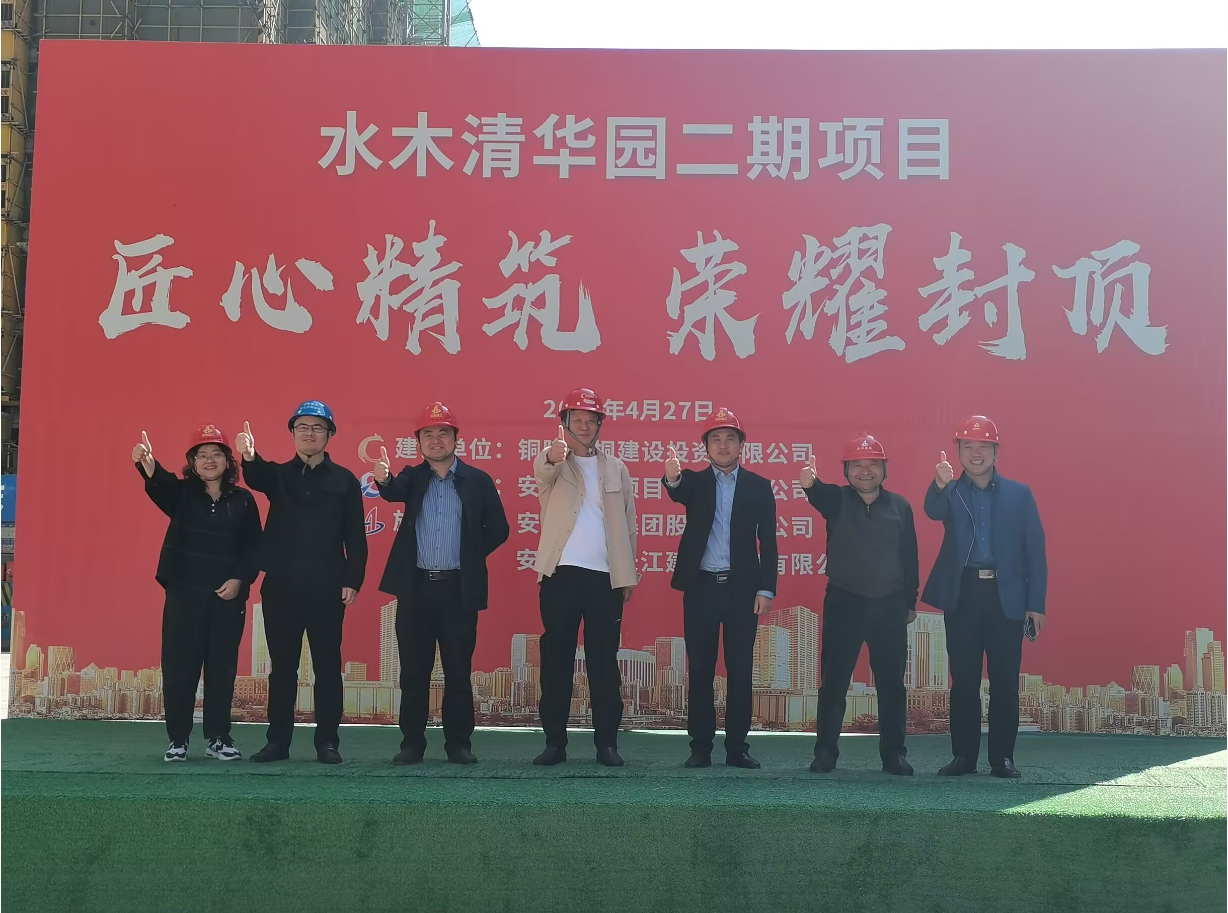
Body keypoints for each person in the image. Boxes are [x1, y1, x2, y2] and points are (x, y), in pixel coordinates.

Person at [374, 402, 510, 765]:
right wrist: (384, 479)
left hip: (457, 590)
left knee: (458, 672)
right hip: (416, 590)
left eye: (443, 433)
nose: (436, 440)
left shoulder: (478, 481)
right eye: (428, 434)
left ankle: (459, 744)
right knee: (413, 672)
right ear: (418, 441)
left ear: (455, 439)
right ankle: (411, 744)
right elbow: (392, 490)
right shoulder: (413, 477)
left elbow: (499, 529)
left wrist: (469, 554)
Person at [235, 400, 368, 764]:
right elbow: (257, 476)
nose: (310, 433)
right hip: (281, 585)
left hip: (327, 586)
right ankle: (277, 743)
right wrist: (249, 455)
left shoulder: (345, 480)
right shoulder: (279, 475)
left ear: (330, 434)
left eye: (317, 428)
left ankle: (328, 743)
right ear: (293, 433)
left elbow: (356, 537)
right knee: (282, 669)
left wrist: (353, 580)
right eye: (302, 427)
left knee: (327, 668)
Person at [922, 415, 1047, 779]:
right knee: (964, 680)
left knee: (1005, 681)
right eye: (967, 446)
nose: (975, 453)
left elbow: (1035, 552)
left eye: (983, 447)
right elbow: (932, 511)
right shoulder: (950, 491)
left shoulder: (1019, 494)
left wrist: (1035, 603)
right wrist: (939, 484)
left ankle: (1002, 758)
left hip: (1006, 595)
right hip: (963, 593)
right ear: (958, 451)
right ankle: (963, 757)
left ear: (995, 451)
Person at [132, 425, 261, 762]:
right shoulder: (183, 495)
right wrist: (147, 462)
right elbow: (160, 484)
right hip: (184, 595)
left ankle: (219, 737)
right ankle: (178, 739)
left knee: (222, 668)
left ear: (228, 461)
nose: (209, 460)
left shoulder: (243, 500)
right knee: (180, 668)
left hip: (227, 598)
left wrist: (240, 580)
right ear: (192, 462)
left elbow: (254, 548)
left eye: (216, 453)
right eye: (201, 455)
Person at [664, 407, 777, 769]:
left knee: (740, 671)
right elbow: (678, 490)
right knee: (701, 670)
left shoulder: (758, 486)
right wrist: (672, 478)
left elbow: (769, 541)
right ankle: (700, 747)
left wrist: (766, 589)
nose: (723, 445)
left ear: (742, 445)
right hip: (701, 587)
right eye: (716, 439)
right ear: (706, 446)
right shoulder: (695, 482)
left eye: (730, 438)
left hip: (743, 590)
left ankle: (737, 748)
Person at [531, 387, 638, 767]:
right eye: (577, 420)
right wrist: (553, 454)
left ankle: (607, 744)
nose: (585, 426)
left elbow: (629, 524)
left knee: (604, 663)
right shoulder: (554, 461)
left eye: (591, 420)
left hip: (605, 578)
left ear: (600, 425)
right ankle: (554, 744)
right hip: (560, 574)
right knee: (556, 661)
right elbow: (541, 471)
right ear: (564, 424)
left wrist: (627, 575)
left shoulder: (617, 468)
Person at [801, 433, 918, 776]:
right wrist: (809, 484)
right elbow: (818, 493)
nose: (865, 471)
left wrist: (909, 601)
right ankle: (825, 753)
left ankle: (894, 754)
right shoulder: (837, 500)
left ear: (884, 469)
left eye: (872, 464)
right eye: (857, 465)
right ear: (846, 471)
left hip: (889, 605)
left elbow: (910, 557)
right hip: (844, 601)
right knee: (834, 682)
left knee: (892, 684)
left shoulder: (900, 507)